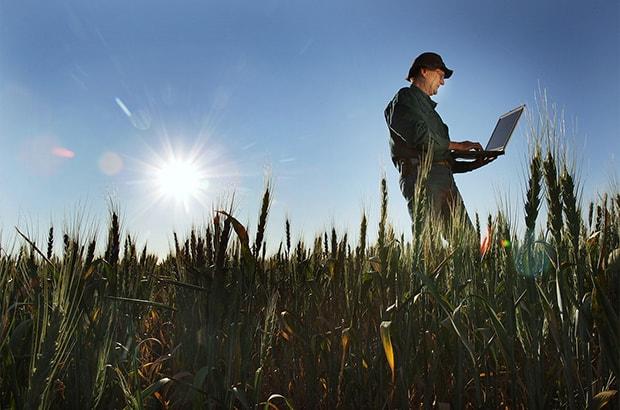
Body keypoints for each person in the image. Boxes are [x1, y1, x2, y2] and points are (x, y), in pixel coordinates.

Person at [384, 52, 494, 223]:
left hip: (446, 181)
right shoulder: (405, 98)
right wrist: (459, 145)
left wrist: (474, 163)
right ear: (424, 71)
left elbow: (441, 158)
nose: (442, 82)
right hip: (422, 179)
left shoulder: (433, 114)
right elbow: (419, 136)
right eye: (441, 76)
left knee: (468, 245)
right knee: (428, 243)